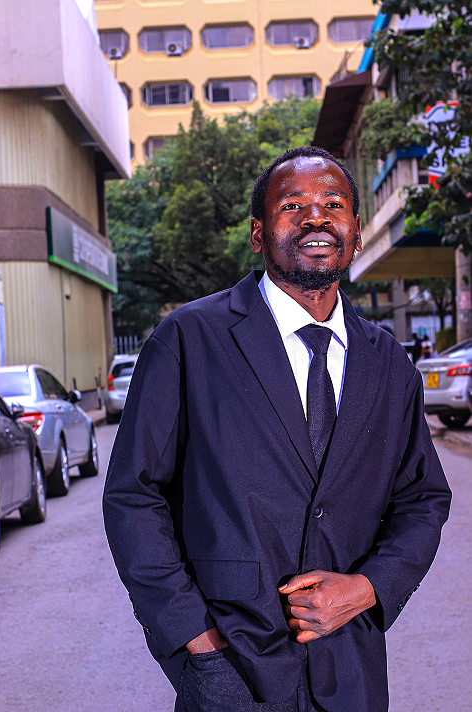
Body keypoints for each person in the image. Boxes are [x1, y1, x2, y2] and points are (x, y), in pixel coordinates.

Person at [103, 147, 451, 712]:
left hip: (350, 669)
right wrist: (195, 640)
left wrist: (368, 588)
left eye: (333, 205)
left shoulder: (389, 361)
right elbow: (133, 496)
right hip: (230, 666)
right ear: (258, 234)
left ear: (356, 232)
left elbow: (423, 499)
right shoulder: (188, 340)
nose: (316, 218)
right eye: (293, 206)